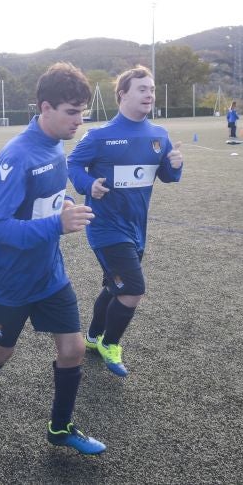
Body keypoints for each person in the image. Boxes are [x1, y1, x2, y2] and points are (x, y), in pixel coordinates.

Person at [0, 62, 106, 455]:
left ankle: (60, 428)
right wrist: (57, 223)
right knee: (2, 352)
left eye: (82, 112)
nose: (79, 121)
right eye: (72, 112)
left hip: (51, 274)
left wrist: (65, 204)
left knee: (71, 349)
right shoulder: (16, 155)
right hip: (11, 281)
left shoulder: (57, 145)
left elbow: (44, 202)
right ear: (45, 107)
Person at [67, 65, 183, 378]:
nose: (149, 94)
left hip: (137, 229)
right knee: (132, 290)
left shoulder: (159, 135)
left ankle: (92, 337)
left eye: (152, 89)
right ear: (123, 95)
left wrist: (175, 165)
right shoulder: (101, 136)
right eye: (142, 89)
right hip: (105, 228)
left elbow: (168, 176)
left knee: (112, 286)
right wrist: (87, 185)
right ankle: (110, 343)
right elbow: (73, 164)